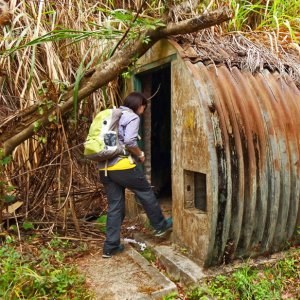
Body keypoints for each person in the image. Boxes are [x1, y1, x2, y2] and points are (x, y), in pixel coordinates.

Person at [99, 92, 172, 258]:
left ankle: (110, 247)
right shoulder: (131, 117)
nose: (143, 110)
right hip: (122, 166)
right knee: (146, 191)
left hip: (104, 168)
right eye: (143, 107)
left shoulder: (113, 115)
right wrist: (140, 155)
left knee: (115, 207)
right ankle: (160, 226)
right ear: (139, 105)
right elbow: (131, 142)